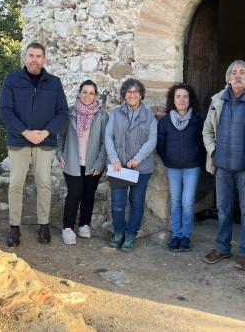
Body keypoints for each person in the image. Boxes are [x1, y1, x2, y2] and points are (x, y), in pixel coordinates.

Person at [202, 60, 245, 270]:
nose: (237, 75)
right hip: (222, 165)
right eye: (233, 72)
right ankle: (222, 248)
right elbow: (207, 131)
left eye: (242, 72)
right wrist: (213, 151)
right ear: (228, 78)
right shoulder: (216, 100)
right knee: (223, 209)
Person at [0, 42, 68, 247]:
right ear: (25, 57)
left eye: (38, 56)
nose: (34, 60)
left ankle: (44, 225)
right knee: (16, 184)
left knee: (44, 184)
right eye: (31, 55)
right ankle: (14, 227)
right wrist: (26, 132)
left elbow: (62, 112)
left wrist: (46, 132)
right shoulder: (11, 80)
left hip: (44, 142)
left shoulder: (54, 83)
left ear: (44, 60)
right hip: (19, 140)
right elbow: (5, 111)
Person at [105, 78, 157, 252]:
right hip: (119, 167)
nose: (132, 95)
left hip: (140, 168)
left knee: (137, 202)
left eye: (135, 91)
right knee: (118, 203)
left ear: (141, 94)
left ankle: (131, 235)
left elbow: (152, 140)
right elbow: (108, 137)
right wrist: (114, 159)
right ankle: (118, 233)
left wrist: (138, 157)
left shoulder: (149, 116)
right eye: (129, 92)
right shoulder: (116, 113)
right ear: (124, 95)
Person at [56, 80, 109, 245]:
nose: (87, 96)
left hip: (92, 164)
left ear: (95, 96)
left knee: (88, 195)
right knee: (74, 194)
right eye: (84, 92)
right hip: (72, 162)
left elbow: (104, 141)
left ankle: (84, 224)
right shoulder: (70, 113)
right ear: (79, 93)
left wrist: (100, 163)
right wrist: (59, 154)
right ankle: (67, 227)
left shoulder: (101, 116)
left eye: (91, 93)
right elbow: (60, 136)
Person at [157, 83, 205, 252]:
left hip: (192, 168)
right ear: (173, 100)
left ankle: (186, 236)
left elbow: (203, 144)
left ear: (190, 99)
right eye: (178, 96)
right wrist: (168, 159)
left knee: (188, 202)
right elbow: (160, 146)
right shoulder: (165, 122)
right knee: (176, 201)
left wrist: (197, 160)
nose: (182, 99)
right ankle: (176, 235)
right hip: (173, 167)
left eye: (185, 96)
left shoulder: (197, 121)